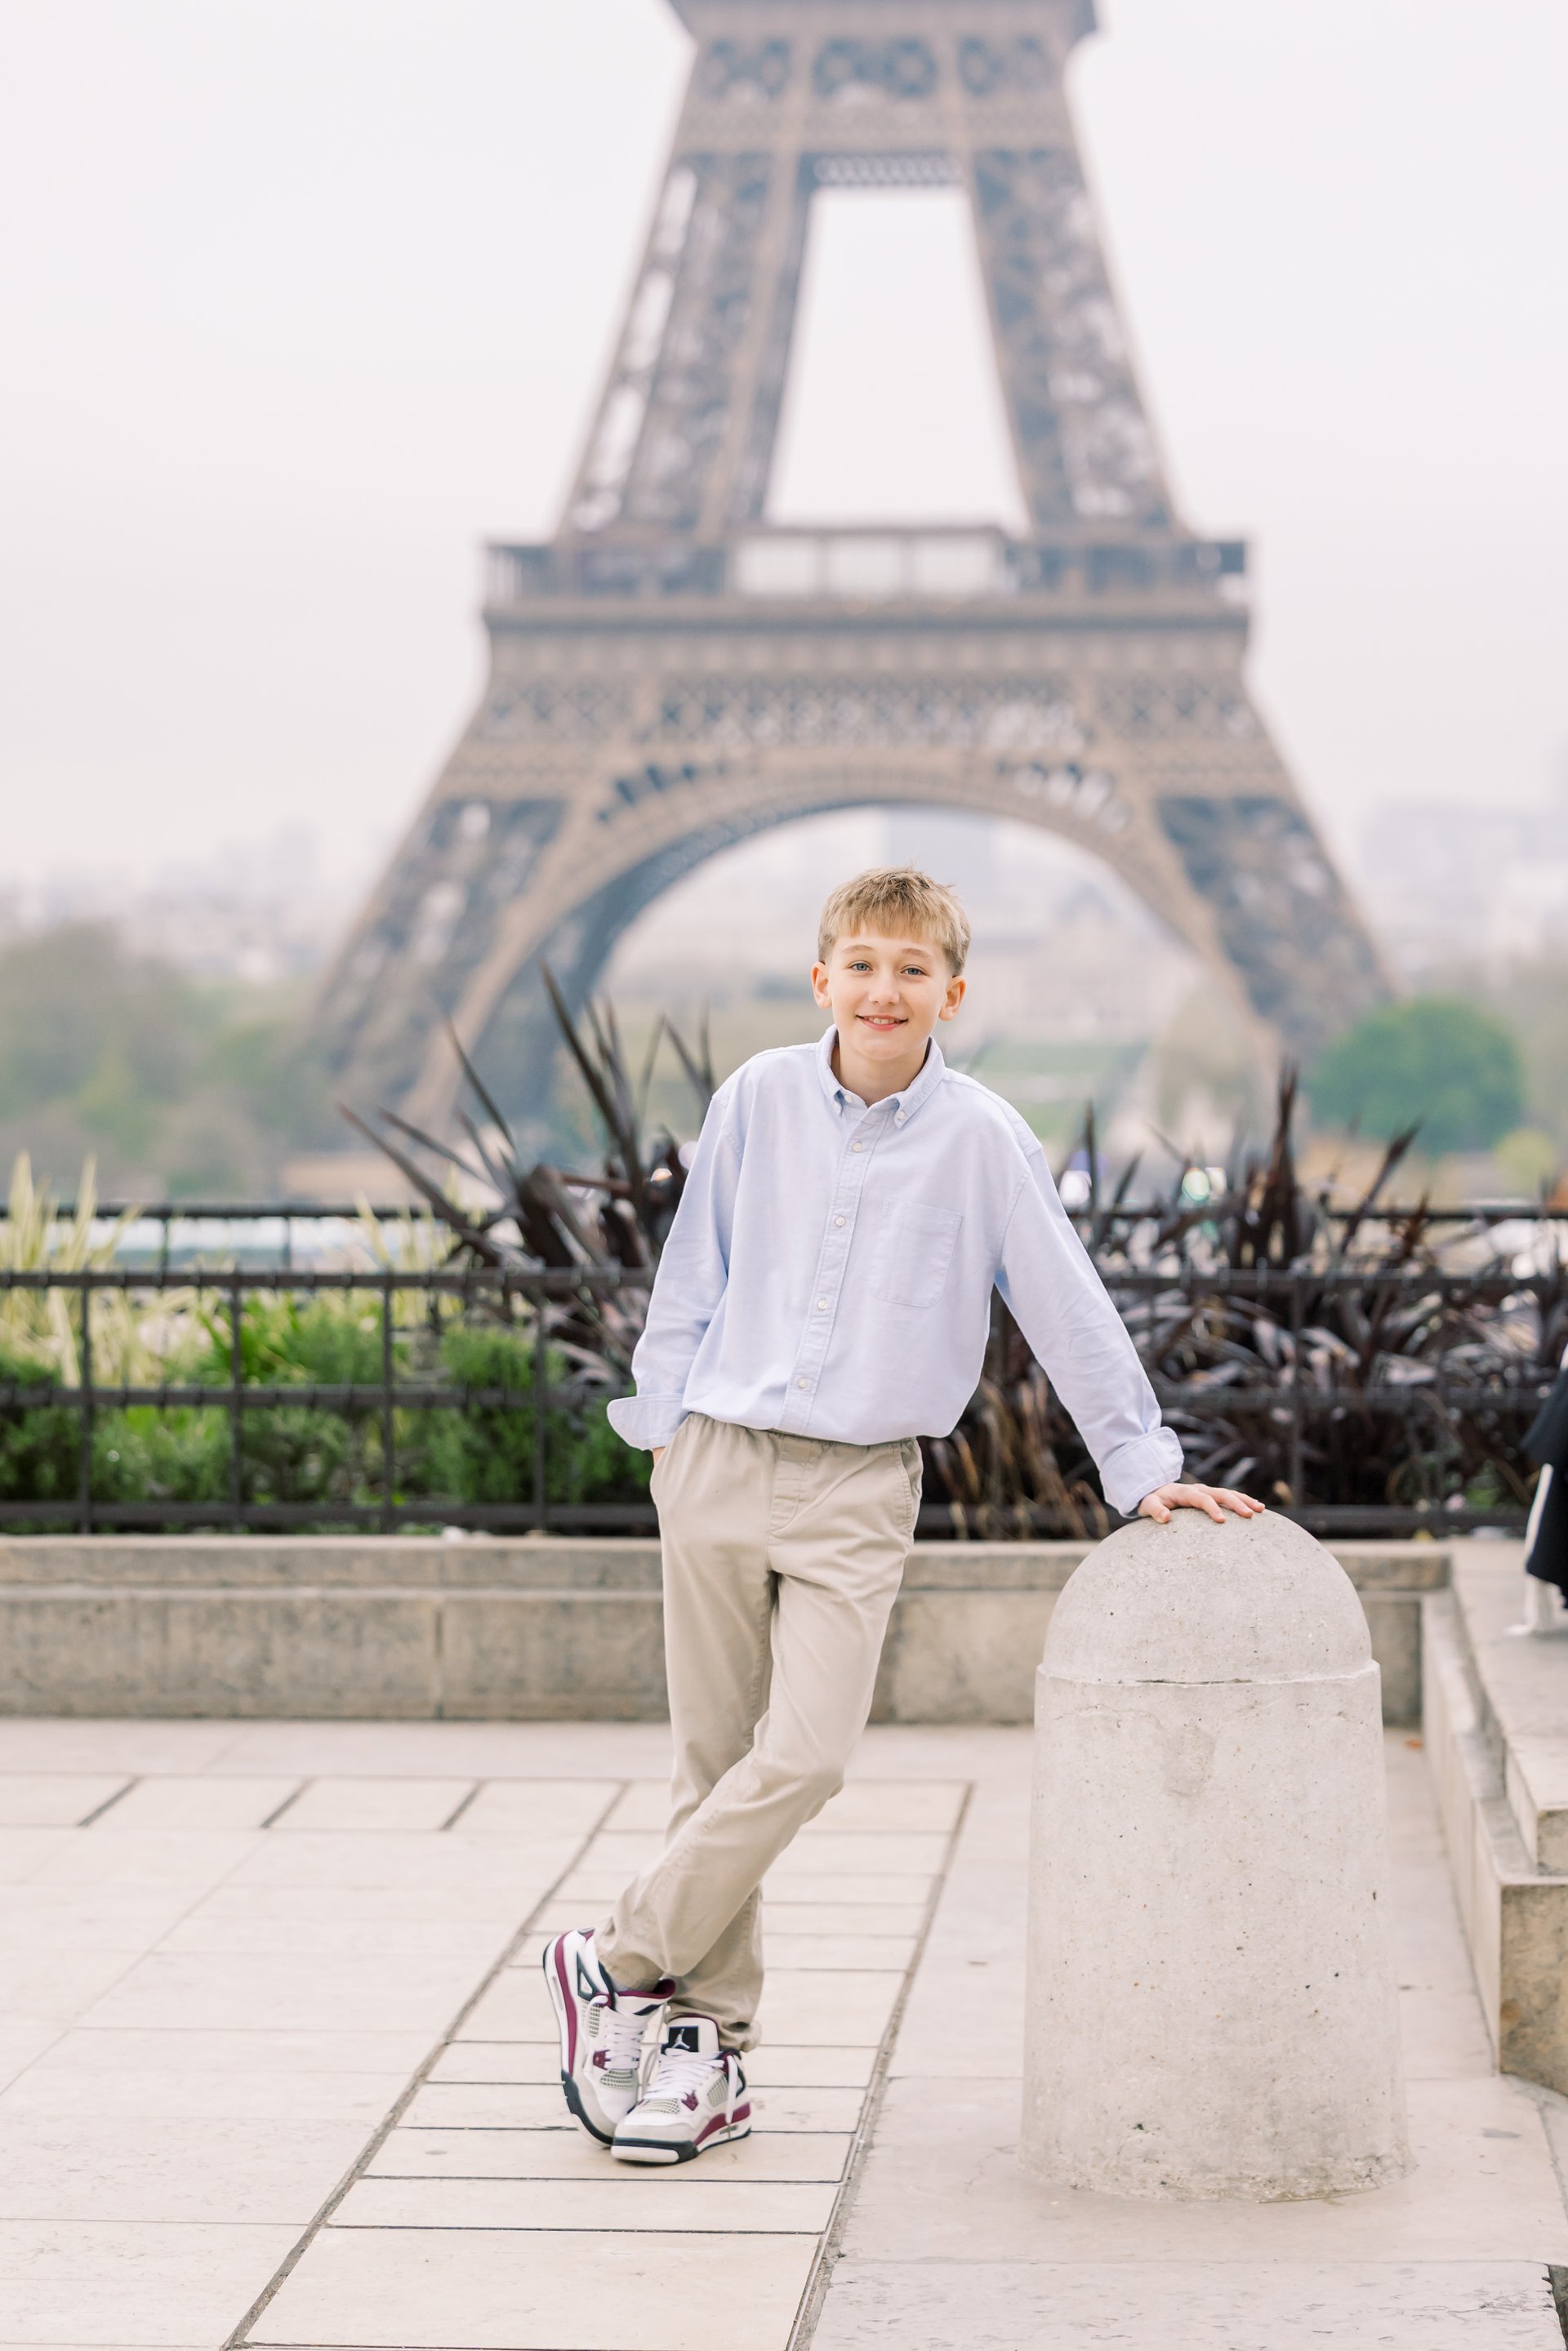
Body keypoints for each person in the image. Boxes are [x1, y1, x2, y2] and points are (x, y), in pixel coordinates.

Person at [543, 865, 1261, 2163]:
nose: (886, 990)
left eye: (913, 970)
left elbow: (1066, 1304)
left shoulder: (984, 1138)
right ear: (824, 978)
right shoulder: (757, 1097)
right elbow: (692, 1269)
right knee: (713, 1764)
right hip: (717, 1458)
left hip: (861, 1484)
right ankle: (705, 2048)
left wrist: (1136, 1462)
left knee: (805, 1759)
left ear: (953, 993)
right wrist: (664, 1433)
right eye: (863, 966)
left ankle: (614, 1958)